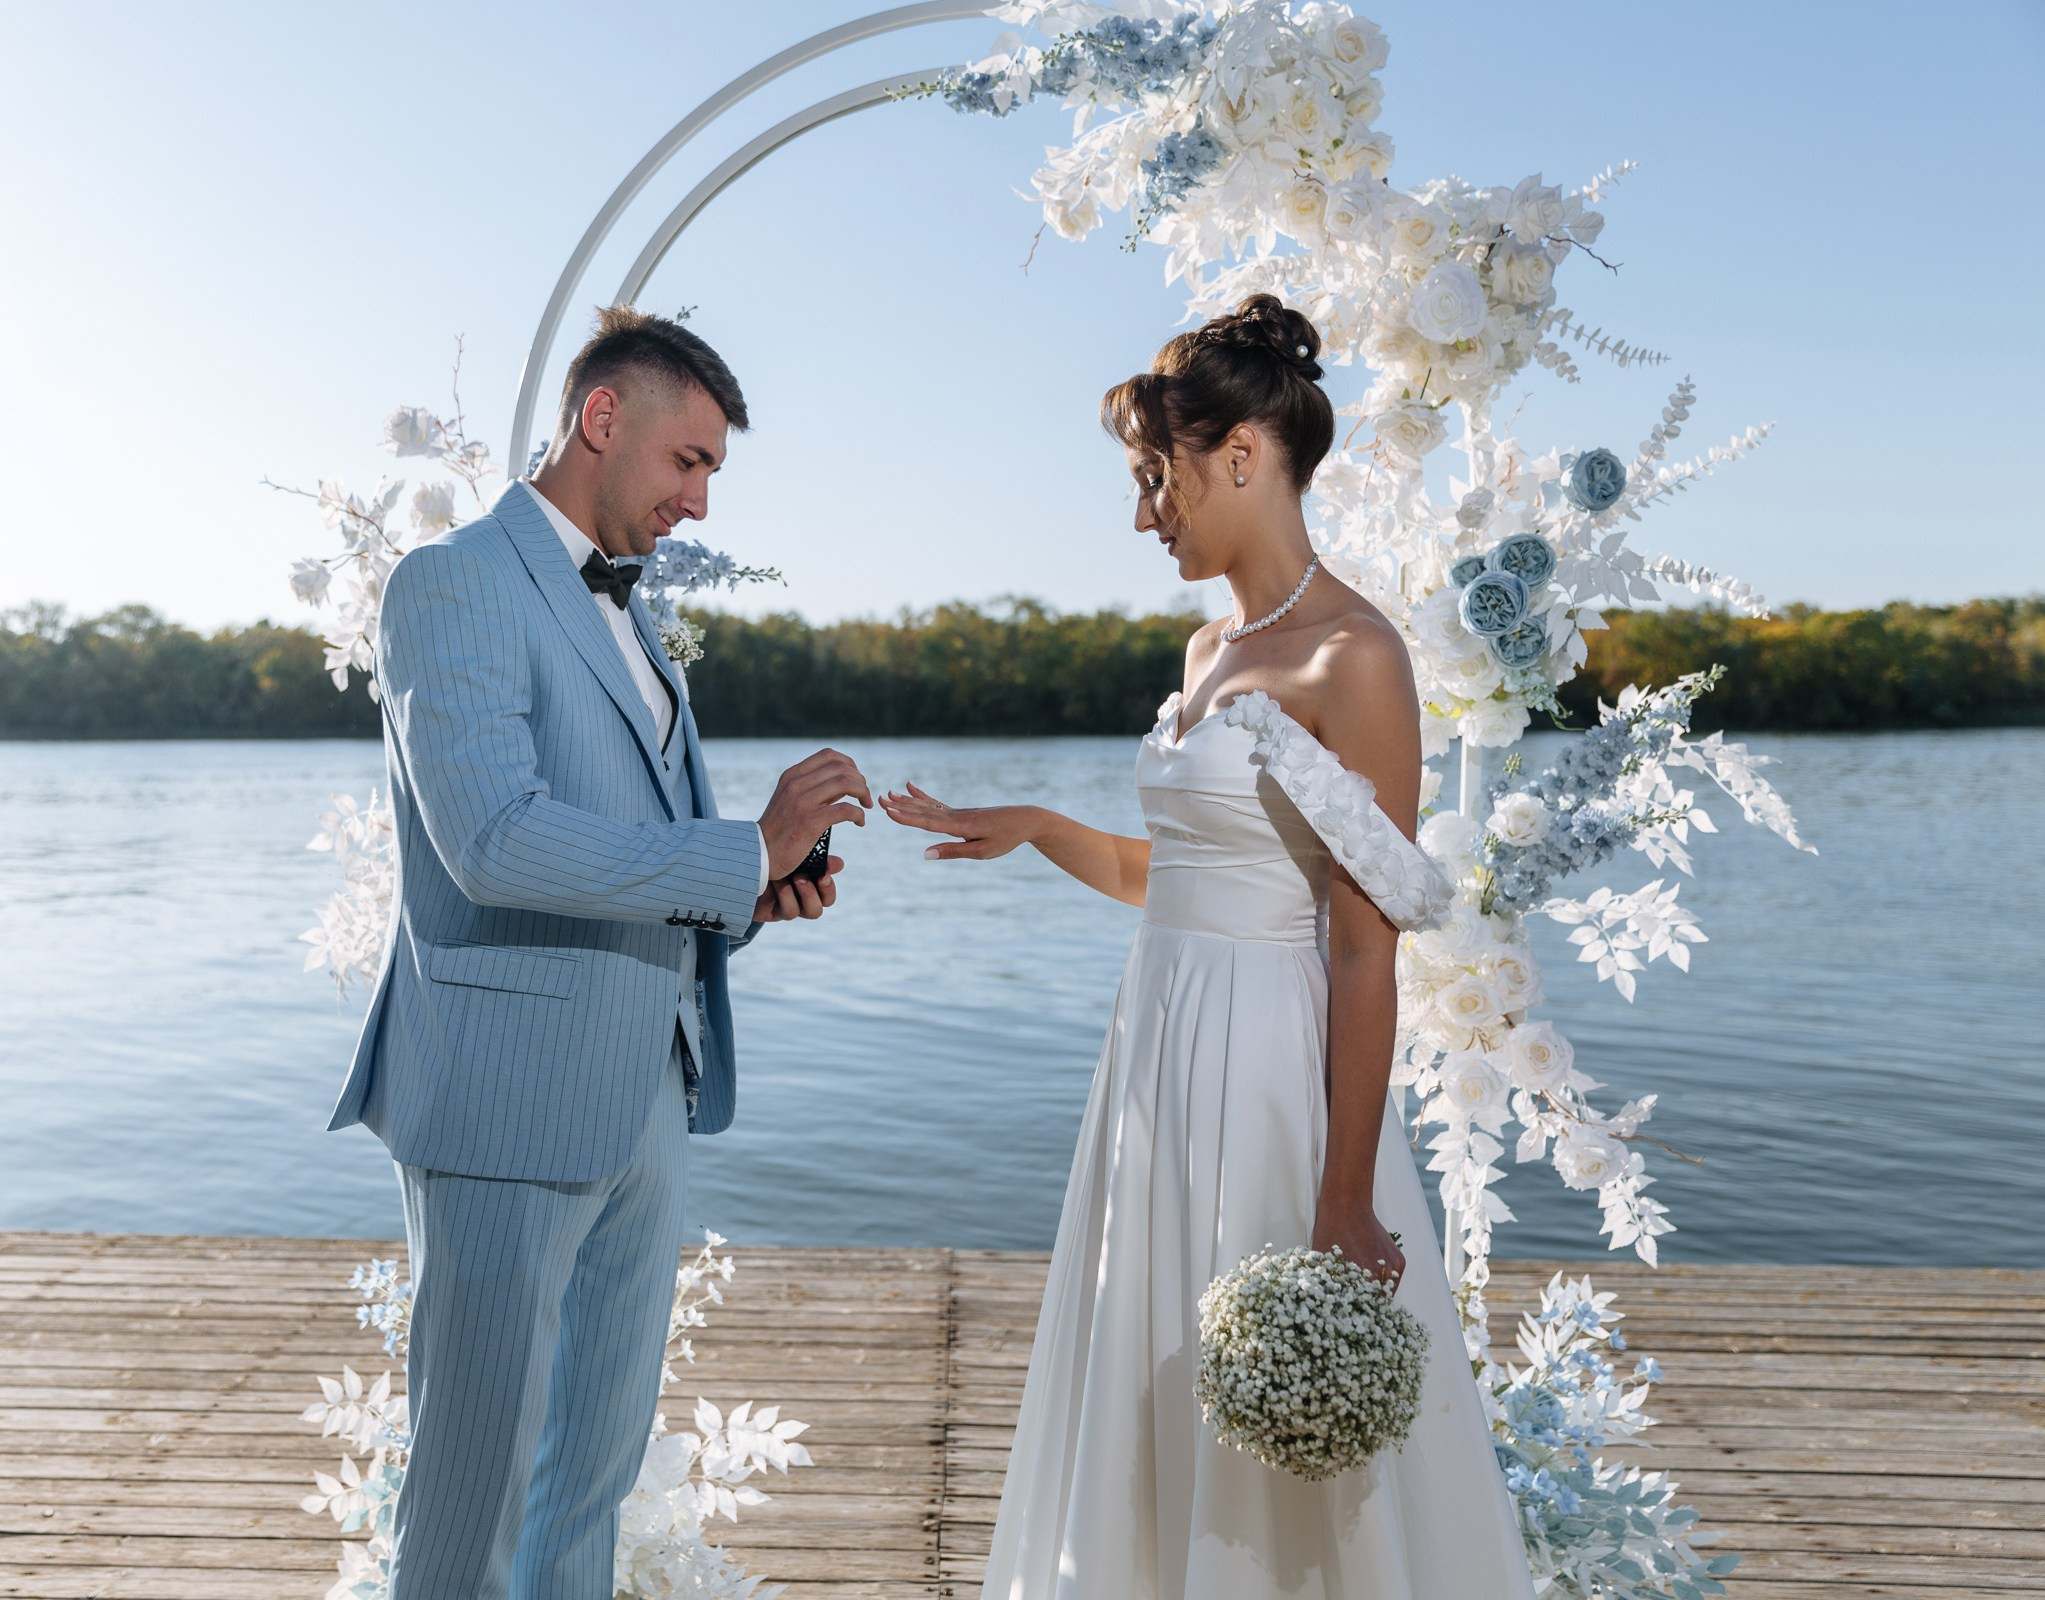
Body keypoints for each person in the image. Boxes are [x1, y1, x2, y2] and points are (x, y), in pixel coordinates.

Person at [882, 294, 1532, 1598]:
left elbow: (1363, 950)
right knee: (1148, 1376)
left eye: (1154, 479)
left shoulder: (1355, 658)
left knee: (1276, 1411)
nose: (1145, 516)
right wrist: (1038, 827)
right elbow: (1174, 879)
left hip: (1266, 1077)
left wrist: (1343, 1195)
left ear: (1240, 455)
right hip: (1155, 1062)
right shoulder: (1207, 650)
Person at [327, 305, 870, 1599]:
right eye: (688, 461)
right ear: (601, 417)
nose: (699, 500)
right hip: (505, 1101)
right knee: (473, 1503)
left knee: (588, 1491)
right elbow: (493, 840)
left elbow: (640, 842)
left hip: (648, 1096)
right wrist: (739, 850)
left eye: (712, 473)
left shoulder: (637, 616)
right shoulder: (451, 583)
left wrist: (754, 891)